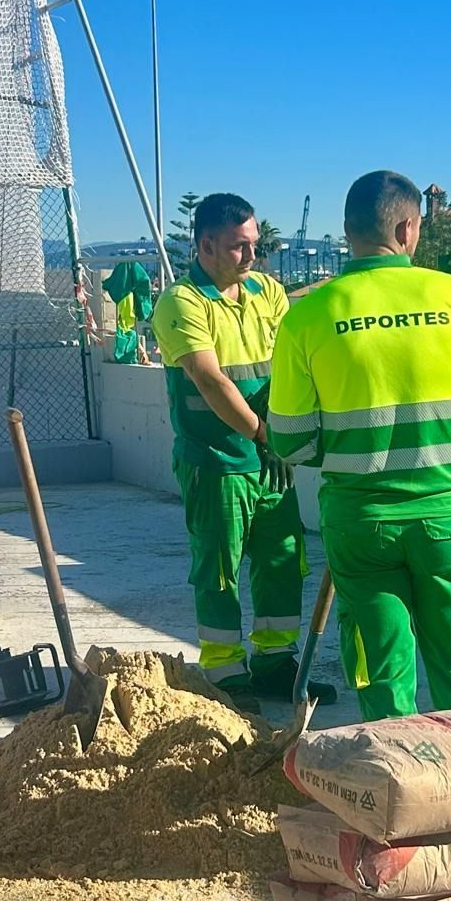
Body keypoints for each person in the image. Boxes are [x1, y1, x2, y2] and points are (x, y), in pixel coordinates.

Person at [267, 171, 451, 719]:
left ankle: (397, 770)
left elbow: (289, 441)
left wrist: (352, 444)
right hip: (448, 514)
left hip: (360, 522)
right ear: (409, 228)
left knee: (383, 681)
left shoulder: (308, 315)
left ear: (348, 232)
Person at [151, 193, 336, 712]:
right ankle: (224, 671)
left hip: (269, 456)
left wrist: (282, 437)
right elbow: (210, 381)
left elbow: (291, 367)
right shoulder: (182, 302)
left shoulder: (267, 292)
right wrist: (266, 436)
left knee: (283, 559)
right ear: (206, 246)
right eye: (240, 247)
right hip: (217, 460)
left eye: (255, 245)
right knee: (219, 568)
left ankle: (275, 663)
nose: (253, 256)